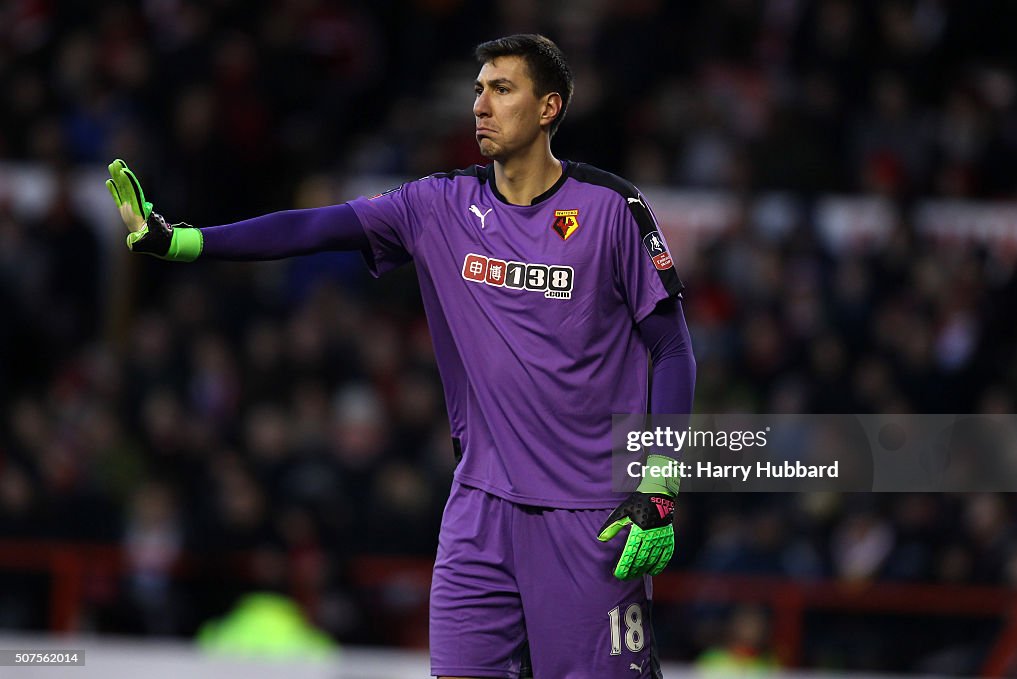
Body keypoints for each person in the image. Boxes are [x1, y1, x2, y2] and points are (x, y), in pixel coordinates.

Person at [106, 34, 696, 679]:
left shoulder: (612, 208)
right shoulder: (437, 205)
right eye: (477, 90)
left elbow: (672, 350)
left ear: (549, 107)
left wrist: (659, 483)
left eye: (502, 89)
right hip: (479, 511)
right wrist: (182, 240)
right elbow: (313, 227)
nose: (481, 105)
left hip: (593, 517)